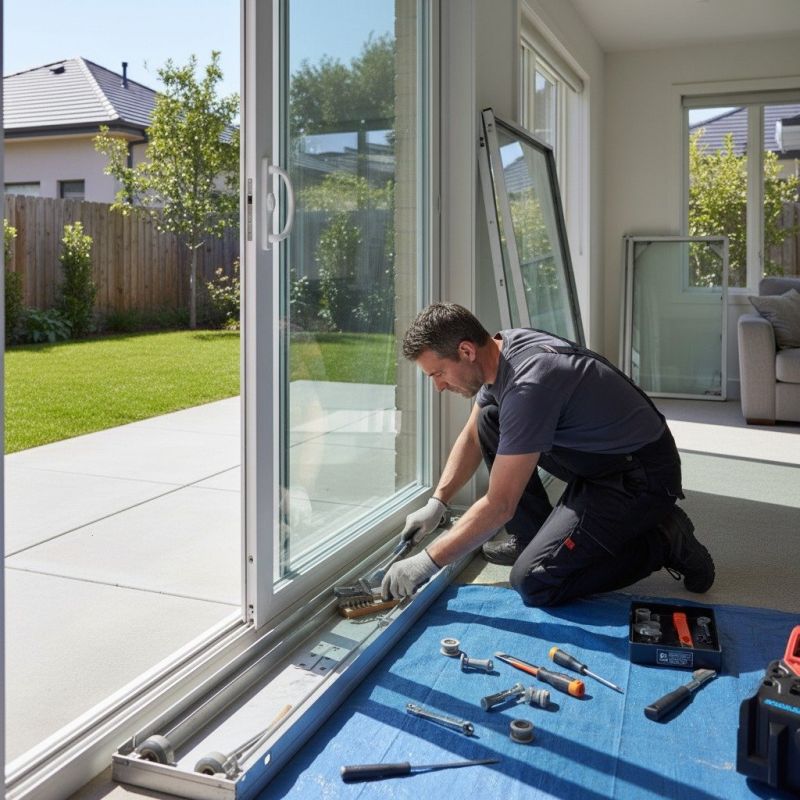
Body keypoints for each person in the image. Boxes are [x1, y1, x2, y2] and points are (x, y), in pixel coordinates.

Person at [381, 302, 715, 606]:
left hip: (639, 476)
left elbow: (499, 505)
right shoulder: (502, 347)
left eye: (438, 374)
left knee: (535, 582)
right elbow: (473, 433)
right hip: (602, 455)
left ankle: (666, 539)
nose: (438, 386)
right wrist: (437, 503)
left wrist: (427, 561)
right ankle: (532, 538)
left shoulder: (529, 385)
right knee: (489, 420)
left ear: (466, 350)